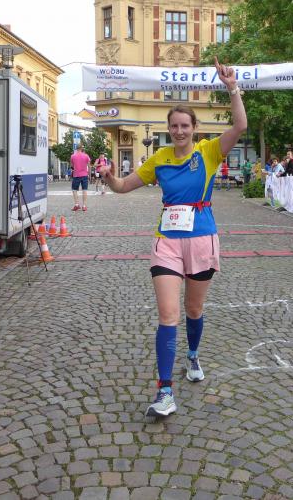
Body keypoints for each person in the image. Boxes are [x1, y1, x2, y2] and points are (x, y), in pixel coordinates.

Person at [99, 57, 246, 417]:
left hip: (201, 238)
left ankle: (193, 355)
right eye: (174, 126)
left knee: (193, 309)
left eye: (185, 126)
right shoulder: (159, 158)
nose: (179, 131)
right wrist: (109, 177)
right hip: (166, 240)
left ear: (194, 128)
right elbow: (123, 186)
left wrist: (232, 88)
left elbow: (241, 125)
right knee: (168, 314)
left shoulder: (209, 151)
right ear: (168, 129)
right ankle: (165, 391)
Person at [70, 145, 91, 211]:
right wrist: (90, 175)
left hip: (76, 175)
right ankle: (84, 206)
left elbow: (72, 166)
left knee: (74, 190)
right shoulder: (86, 156)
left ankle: (76, 205)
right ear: (82, 149)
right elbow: (89, 166)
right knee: (84, 190)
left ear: (76, 149)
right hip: (85, 175)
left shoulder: (73, 156)